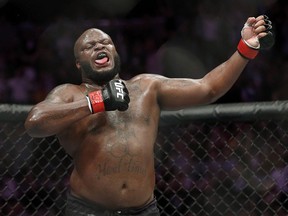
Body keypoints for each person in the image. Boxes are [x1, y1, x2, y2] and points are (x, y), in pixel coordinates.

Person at [25, 15, 273, 216]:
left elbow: (208, 88)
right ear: (79, 64)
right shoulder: (69, 94)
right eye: (90, 46)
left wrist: (245, 50)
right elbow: (35, 123)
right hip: (87, 210)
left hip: (144, 210)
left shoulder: (146, 87)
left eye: (106, 42)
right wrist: (96, 102)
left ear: (115, 51)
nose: (100, 46)